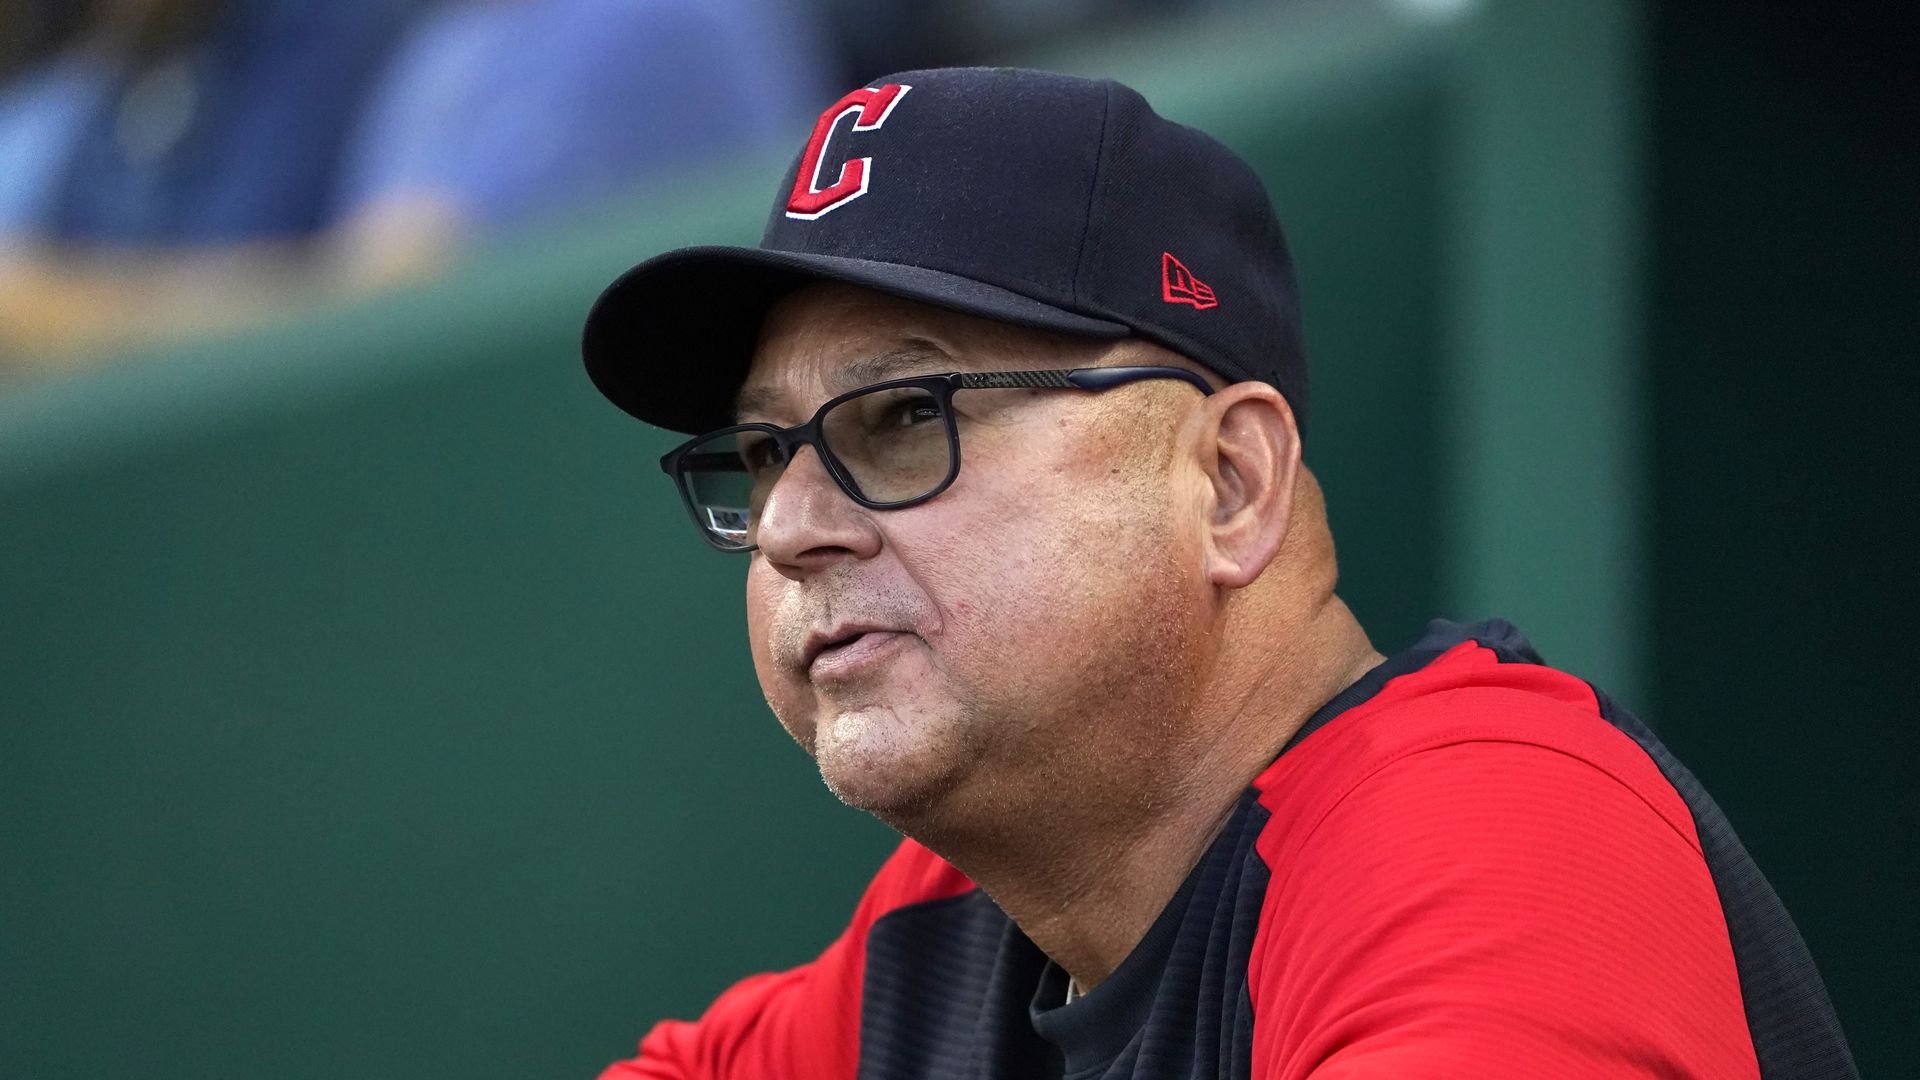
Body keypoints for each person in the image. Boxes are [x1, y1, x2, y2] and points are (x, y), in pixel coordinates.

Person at [579, 67, 1856, 1079]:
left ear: (1230, 483)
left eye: (908, 416)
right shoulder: (951, 931)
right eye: (766, 451)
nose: (791, 524)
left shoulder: (1491, 839)